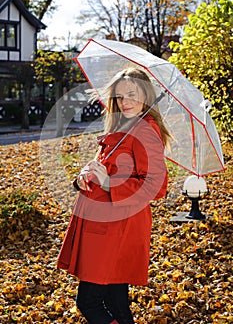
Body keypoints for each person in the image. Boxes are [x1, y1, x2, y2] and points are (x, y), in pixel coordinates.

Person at [57, 67, 170, 324]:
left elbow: (156, 185)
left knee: (89, 302)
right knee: (116, 304)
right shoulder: (123, 128)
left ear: (146, 96)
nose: (125, 102)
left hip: (117, 229)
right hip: (105, 225)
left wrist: (109, 184)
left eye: (132, 94)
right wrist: (82, 177)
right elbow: (101, 165)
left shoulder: (145, 131)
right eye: (119, 96)